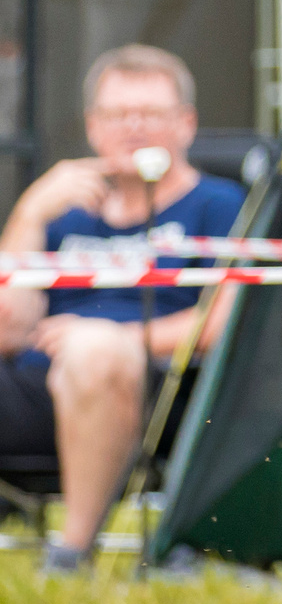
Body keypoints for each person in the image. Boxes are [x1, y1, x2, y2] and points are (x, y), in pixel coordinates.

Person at [0, 45, 242, 576]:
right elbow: (7, 329)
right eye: (117, 114)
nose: (133, 127)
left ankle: (70, 553)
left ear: (186, 124)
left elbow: (222, 323)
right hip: (36, 388)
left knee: (94, 351)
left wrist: (113, 337)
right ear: (92, 127)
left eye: (151, 114)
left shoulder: (220, 205)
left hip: (153, 389)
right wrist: (29, 212)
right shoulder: (62, 211)